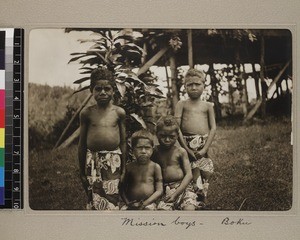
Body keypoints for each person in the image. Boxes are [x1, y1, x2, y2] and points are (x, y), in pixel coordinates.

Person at [78, 67, 127, 210]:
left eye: (107, 89)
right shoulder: (87, 113)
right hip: (92, 161)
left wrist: (123, 169)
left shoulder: (119, 112)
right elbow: (81, 145)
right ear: (91, 90)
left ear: (113, 90)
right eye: (98, 89)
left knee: (112, 195)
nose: (103, 92)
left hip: (113, 161)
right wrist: (81, 172)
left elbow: (123, 142)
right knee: (94, 195)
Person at [175, 68, 216, 203]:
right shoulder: (181, 104)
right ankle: (191, 198)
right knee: (190, 171)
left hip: (202, 146)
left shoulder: (208, 106)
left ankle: (202, 197)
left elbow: (213, 128)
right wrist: (186, 149)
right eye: (189, 85)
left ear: (204, 85)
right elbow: (177, 128)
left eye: (197, 84)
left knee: (205, 172)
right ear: (185, 86)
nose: (193, 87)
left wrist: (204, 149)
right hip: (186, 144)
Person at [152, 115, 199, 210]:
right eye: (163, 136)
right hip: (163, 190)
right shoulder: (154, 151)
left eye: (171, 136)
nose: (167, 140)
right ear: (156, 134)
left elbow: (189, 175)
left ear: (177, 135)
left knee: (189, 209)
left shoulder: (180, 152)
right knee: (163, 213)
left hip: (182, 188)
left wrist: (176, 193)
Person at [120, 130, 163, 210]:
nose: (143, 151)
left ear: (152, 149)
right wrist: (128, 203)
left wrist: (144, 204)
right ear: (132, 150)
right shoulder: (129, 167)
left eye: (147, 148)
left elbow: (159, 190)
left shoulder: (155, 167)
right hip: (131, 203)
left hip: (149, 204)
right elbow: (122, 189)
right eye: (139, 148)